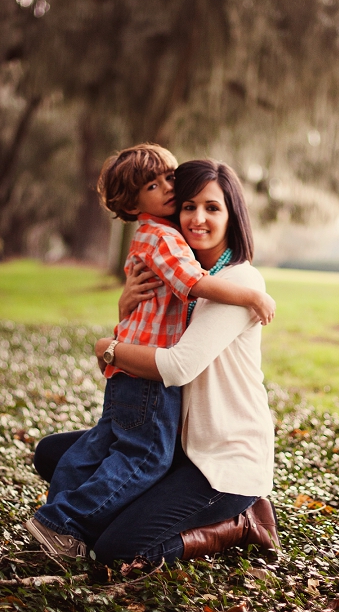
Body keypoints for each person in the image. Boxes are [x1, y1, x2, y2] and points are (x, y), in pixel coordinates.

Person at [25, 145, 275, 557]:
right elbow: (146, 331)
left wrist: (107, 349)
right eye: (189, 205)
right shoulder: (172, 264)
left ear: (233, 215)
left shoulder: (238, 286)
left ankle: (239, 523)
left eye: (212, 208)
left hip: (220, 460)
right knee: (53, 453)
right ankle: (73, 523)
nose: (197, 218)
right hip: (179, 442)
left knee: (116, 550)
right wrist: (125, 309)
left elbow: (176, 366)